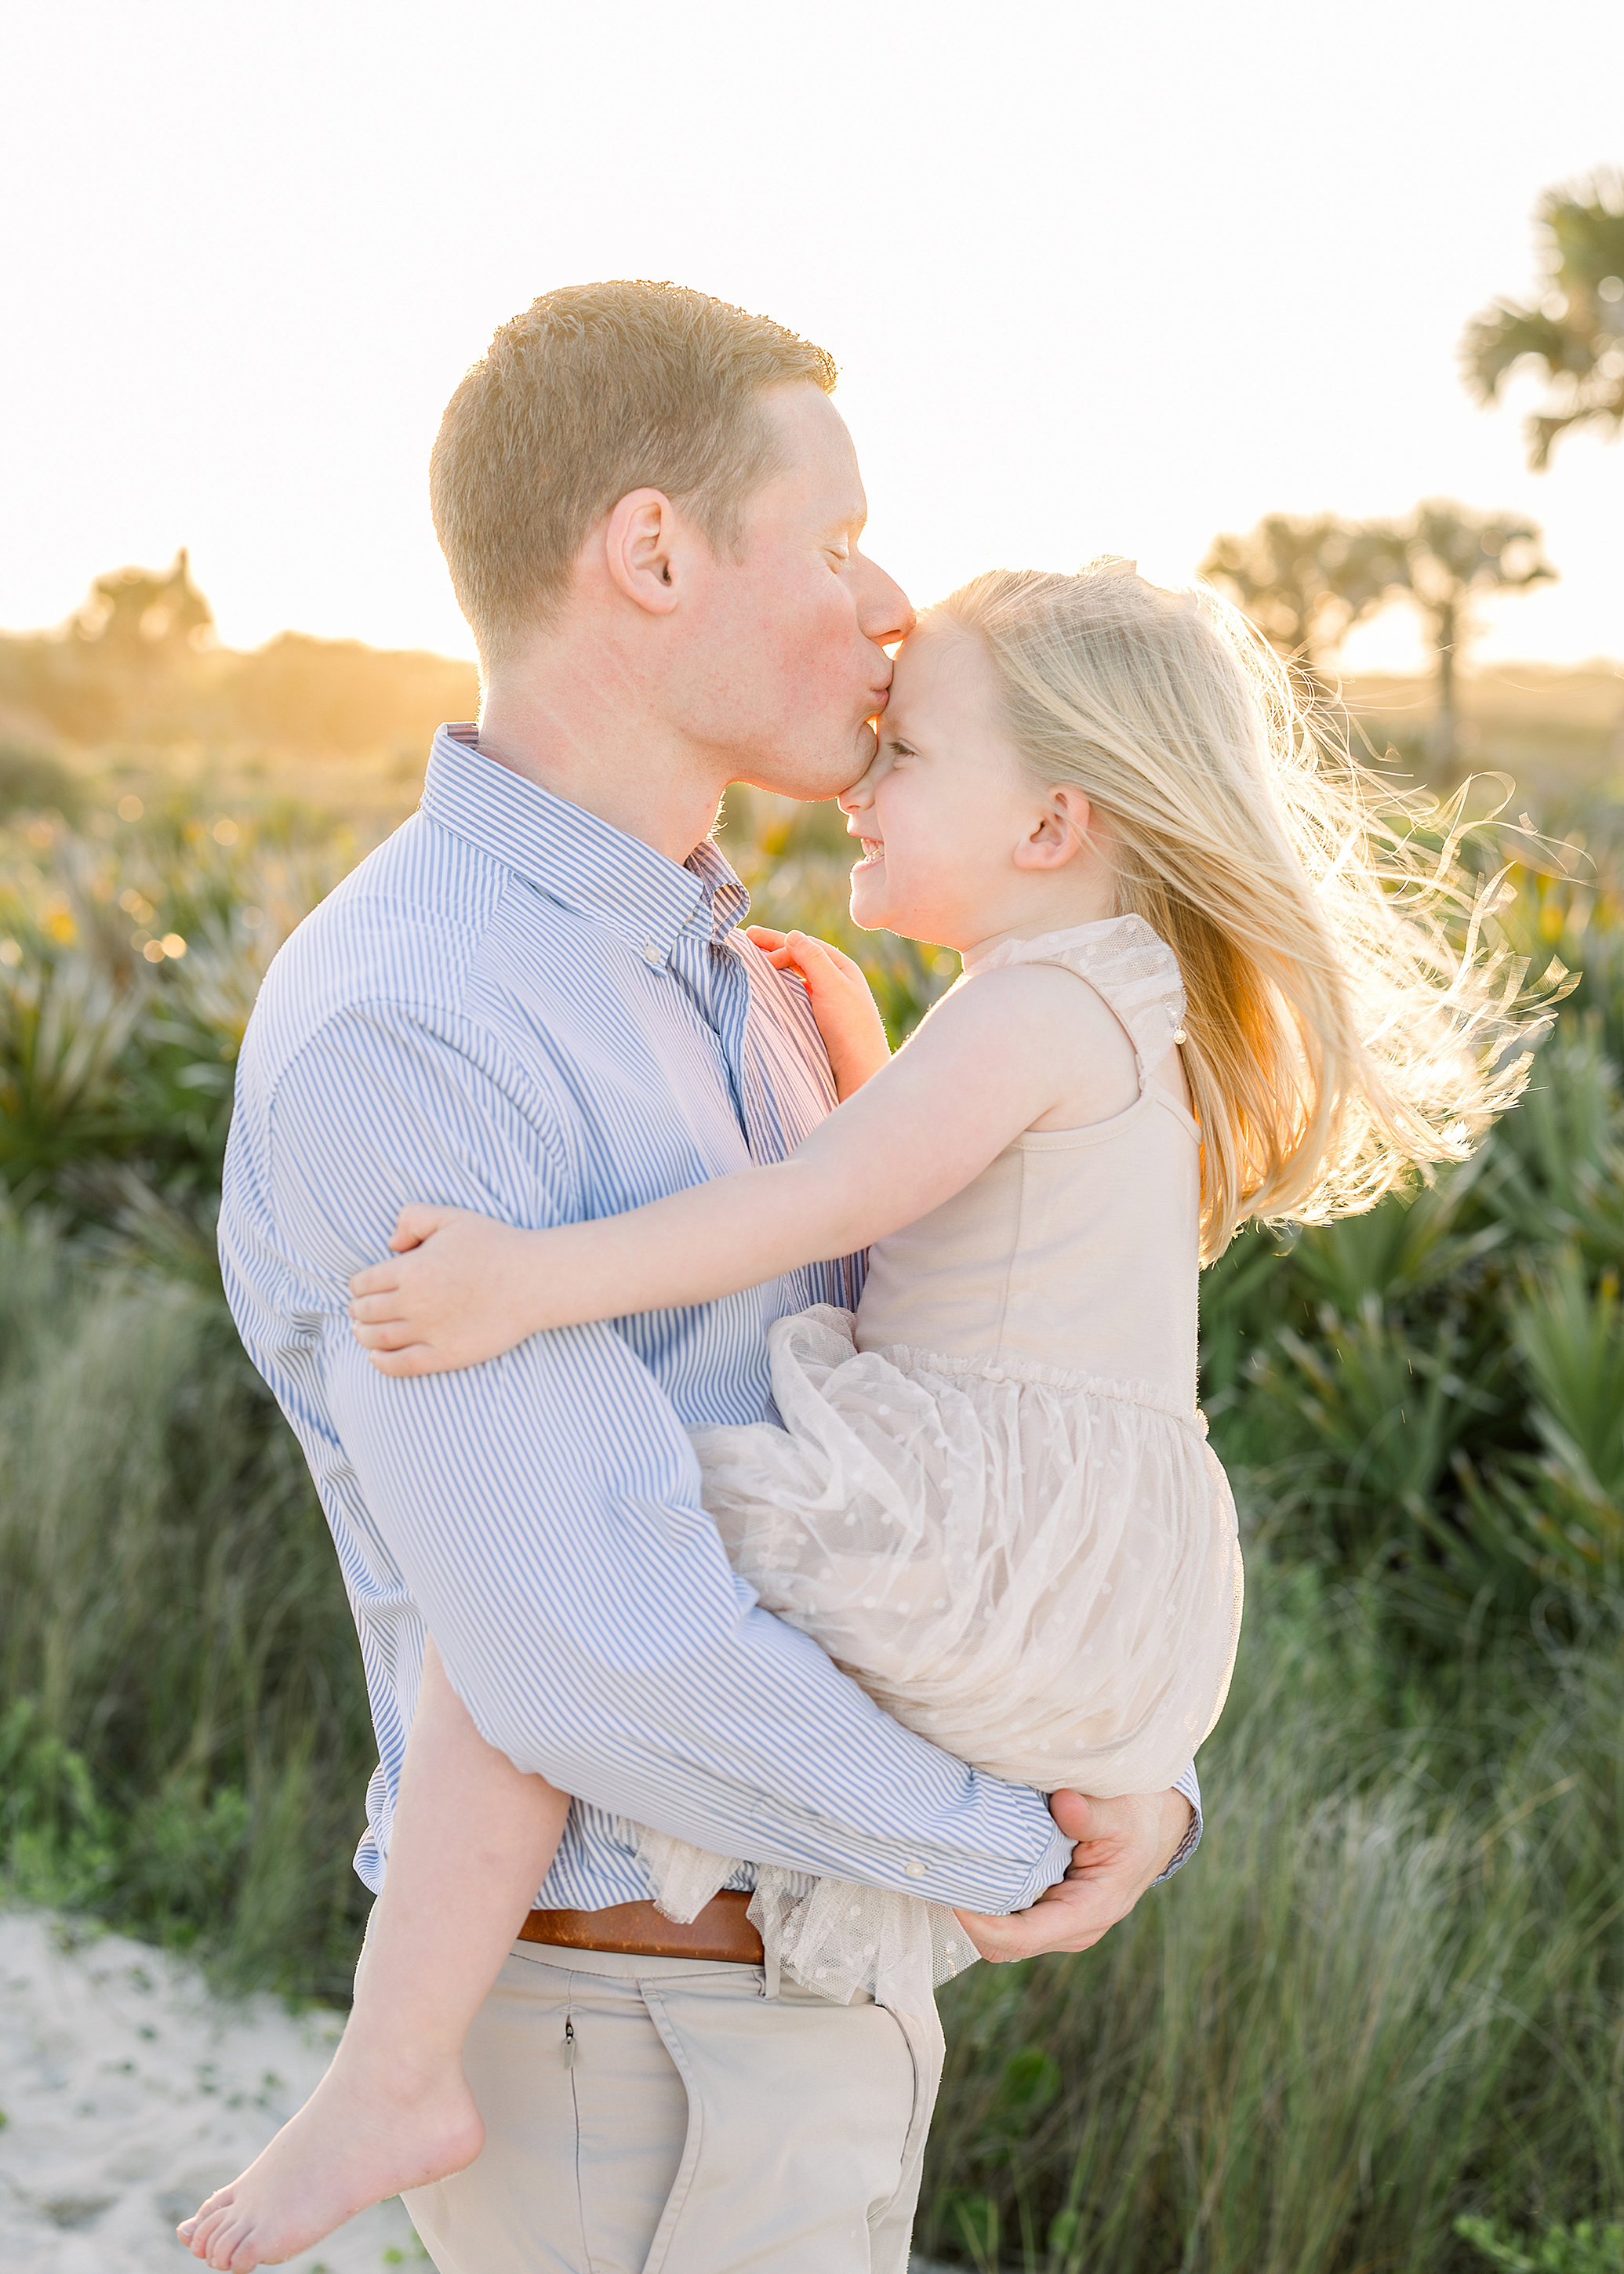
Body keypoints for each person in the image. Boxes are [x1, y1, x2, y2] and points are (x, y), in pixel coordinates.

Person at [186, 541, 1530, 2272]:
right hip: (1080, 1577)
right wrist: (871, 1060)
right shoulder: (1083, 1000)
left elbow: (812, 1220)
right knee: (557, 1595)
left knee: (542, 1600)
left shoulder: (1032, 1006)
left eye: (908, 754)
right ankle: (407, 2065)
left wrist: (526, 1279)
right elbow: (951, 1228)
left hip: (962, 1534)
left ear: (1049, 828)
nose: (864, 779)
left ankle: (388, 2070)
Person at [184, 284, 1206, 2274]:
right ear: (651, 551)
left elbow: (933, 1437)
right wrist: (1025, 1834)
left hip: (788, 2009)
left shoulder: (745, 984)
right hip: (629, 2050)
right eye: (831, 540)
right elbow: (595, 1648)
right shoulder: (418, 1026)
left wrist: (1131, 1769)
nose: (887, 596)